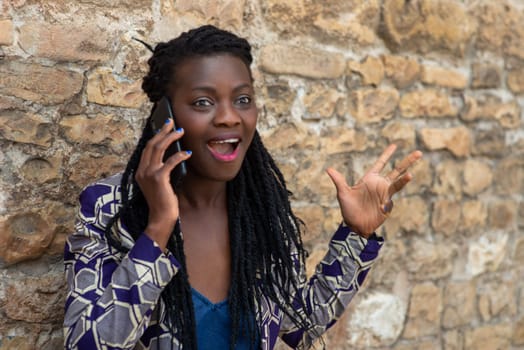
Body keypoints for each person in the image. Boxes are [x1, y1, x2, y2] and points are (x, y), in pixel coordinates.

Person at [63, 25, 422, 350]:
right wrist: (157, 229)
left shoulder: (261, 212)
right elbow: (89, 345)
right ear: (165, 116)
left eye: (243, 99)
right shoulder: (111, 209)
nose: (229, 116)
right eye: (203, 102)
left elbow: (302, 325)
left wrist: (356, 235)